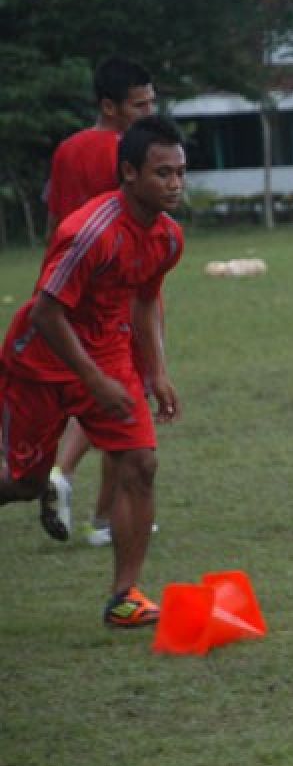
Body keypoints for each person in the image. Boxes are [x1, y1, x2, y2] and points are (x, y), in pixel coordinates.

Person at [0, 115, 186, 627]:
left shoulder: (168, 238)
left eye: (179, 173)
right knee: (24, 482)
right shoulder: (88, 232)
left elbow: (146, 300)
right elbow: (44, 312)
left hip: (108, 354)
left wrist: (156, 372)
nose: (174, 185)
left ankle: (123, 597)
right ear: (129, 172)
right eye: (161, 174)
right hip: (40, 360)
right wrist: (93, 380)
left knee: (141, 464)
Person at [40, 56, 158, 545]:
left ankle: (75, 490)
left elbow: (54, 226)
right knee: (124, 401)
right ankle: (105, 514)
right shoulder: (133, 156)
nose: (150, 112)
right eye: (140, 104)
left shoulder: (67, 150)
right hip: (118, 292)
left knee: (106, 398)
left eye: (153, 101)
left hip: (68, 295)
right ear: (110, 106)